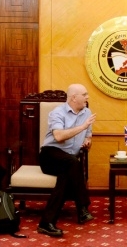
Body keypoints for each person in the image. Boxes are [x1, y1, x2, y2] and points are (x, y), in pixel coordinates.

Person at [37, 84, 96, 238]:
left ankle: (46, 223)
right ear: (74, 98)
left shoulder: (87, 112)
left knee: (65, 177)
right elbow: (58, 137)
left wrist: (88, 142)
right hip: (50, 155)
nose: (88, 97)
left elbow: (88, 136)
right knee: (73, 163)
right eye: (85, 94)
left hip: (69, 161)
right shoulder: (57, 113)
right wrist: (82, 126)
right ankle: (82, 207)